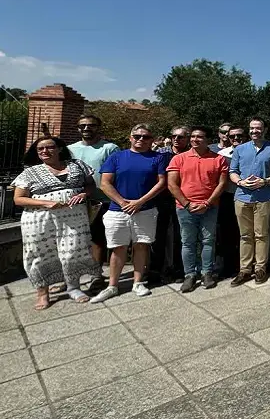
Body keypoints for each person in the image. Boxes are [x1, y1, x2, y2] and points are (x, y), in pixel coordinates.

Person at [13, 137, 102, 309]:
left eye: (49, 147)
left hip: (74, 217)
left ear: (59, 148)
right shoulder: (30, 172)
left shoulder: (77, 165)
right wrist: (46, 203)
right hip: (40, 219)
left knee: (73, 250)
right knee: (39, 253)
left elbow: (90, 185)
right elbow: (18, 199)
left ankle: (73, 287)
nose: (45, 151)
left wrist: (84, 194)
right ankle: (42, 292)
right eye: (40, 149)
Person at [90, 124, 168, 303]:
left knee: (142, 245)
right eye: (137, 136)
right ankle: (112, 285)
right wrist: (123, 203)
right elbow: (105, 183)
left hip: (145, 209)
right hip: (118, 210)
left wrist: (140, 202)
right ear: (130, 137)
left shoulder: (158, 158)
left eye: (146, 137)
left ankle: (138, 282)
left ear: (152, 140)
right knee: (118, 248)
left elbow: (161, 183)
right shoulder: (117, 157)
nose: (141, 139)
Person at [167, 126, 229, 292]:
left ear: (207, 139)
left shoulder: (218, 159)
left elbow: (221, 184)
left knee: (208, 241)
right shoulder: (179, 159)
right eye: (193, 136)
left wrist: (207, 203)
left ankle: (206, 272)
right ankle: (190, 274)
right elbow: (172, 184)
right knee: (188, 242)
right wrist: (187, 204)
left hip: (210, 207)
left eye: (199, 137)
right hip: (185, 207)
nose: (195, 139)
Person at [67, 114, 120, 290]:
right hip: (75, 201)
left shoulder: (110, 148)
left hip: (102, 200)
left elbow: (117, 172)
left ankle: (97, 275)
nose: (87, 129)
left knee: (98, 239)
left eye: (91, 125)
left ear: (98, 127)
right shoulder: (69, 149)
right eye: (82, 126)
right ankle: (70, 276)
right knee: (73, 240)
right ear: (78, 128)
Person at [229, 117, 270, 286]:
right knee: (245, 235)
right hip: (242, 197)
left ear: (264, 129)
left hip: (264, 197)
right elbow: (233, 171)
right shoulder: (240, 149)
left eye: (258, 128)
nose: (254, 131)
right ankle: (244, 269)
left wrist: (265, 181)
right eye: (252, 128)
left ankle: (260, 268)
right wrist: (240, 182)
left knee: (261, 234)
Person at [151, 126, 189, 282]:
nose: (176, 139)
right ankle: (155, 270)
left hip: (183, 199)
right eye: (174, 136)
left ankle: (178, 269)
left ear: (187, 138)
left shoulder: (190, 155)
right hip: (162, 199)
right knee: (158, 236)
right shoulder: (161, 154)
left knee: (180, 237)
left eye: (180, 137)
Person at [215, 125, 245, 277]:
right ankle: (228, 266)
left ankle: (245, 264)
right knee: (227, 232)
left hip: (247, 194)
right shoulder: (222, 154)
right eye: (232, 136)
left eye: (239, 135)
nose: (235, 139)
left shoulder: (250, 151)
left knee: (245, 232)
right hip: (227, 196)